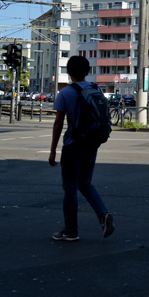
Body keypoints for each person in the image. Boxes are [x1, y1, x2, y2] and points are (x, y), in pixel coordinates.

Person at [48, 55, 115, 241]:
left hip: (73, 145)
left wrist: (53, 150)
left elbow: (58, 123)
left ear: (69, 73)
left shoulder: (65, 93)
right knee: (85, 183)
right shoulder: (95, 88)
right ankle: (103, 214)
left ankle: (71, 231)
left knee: (70, 188)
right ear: (87, 71)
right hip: (92, 142)